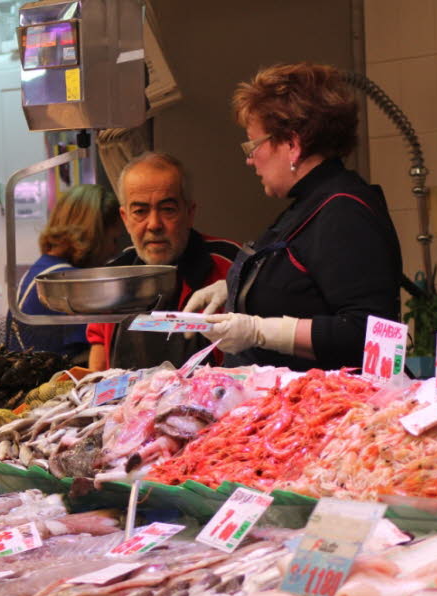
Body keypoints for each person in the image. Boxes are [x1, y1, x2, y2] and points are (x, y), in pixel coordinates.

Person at [185, 62, 403, 371]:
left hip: (327, 408)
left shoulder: (344, 210)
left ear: (292, 144)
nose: (249, 159)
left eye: (254, 144)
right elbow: (300, 285)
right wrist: (236, 287)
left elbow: (368, 334)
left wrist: (259, 332)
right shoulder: (310, 203)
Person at [86, 152, 240, 370]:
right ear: (125, 219)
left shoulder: (231, 265)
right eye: (140, 211)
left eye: (168, 210)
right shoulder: (112, 277)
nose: (154, 224)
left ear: (189, 213)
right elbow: (98, 360)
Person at [6, 184, 123, 362]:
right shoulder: (71, 285)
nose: (115, 251)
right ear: (95, 236)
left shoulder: (42, 270)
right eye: (114, 240)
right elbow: (98, 353)